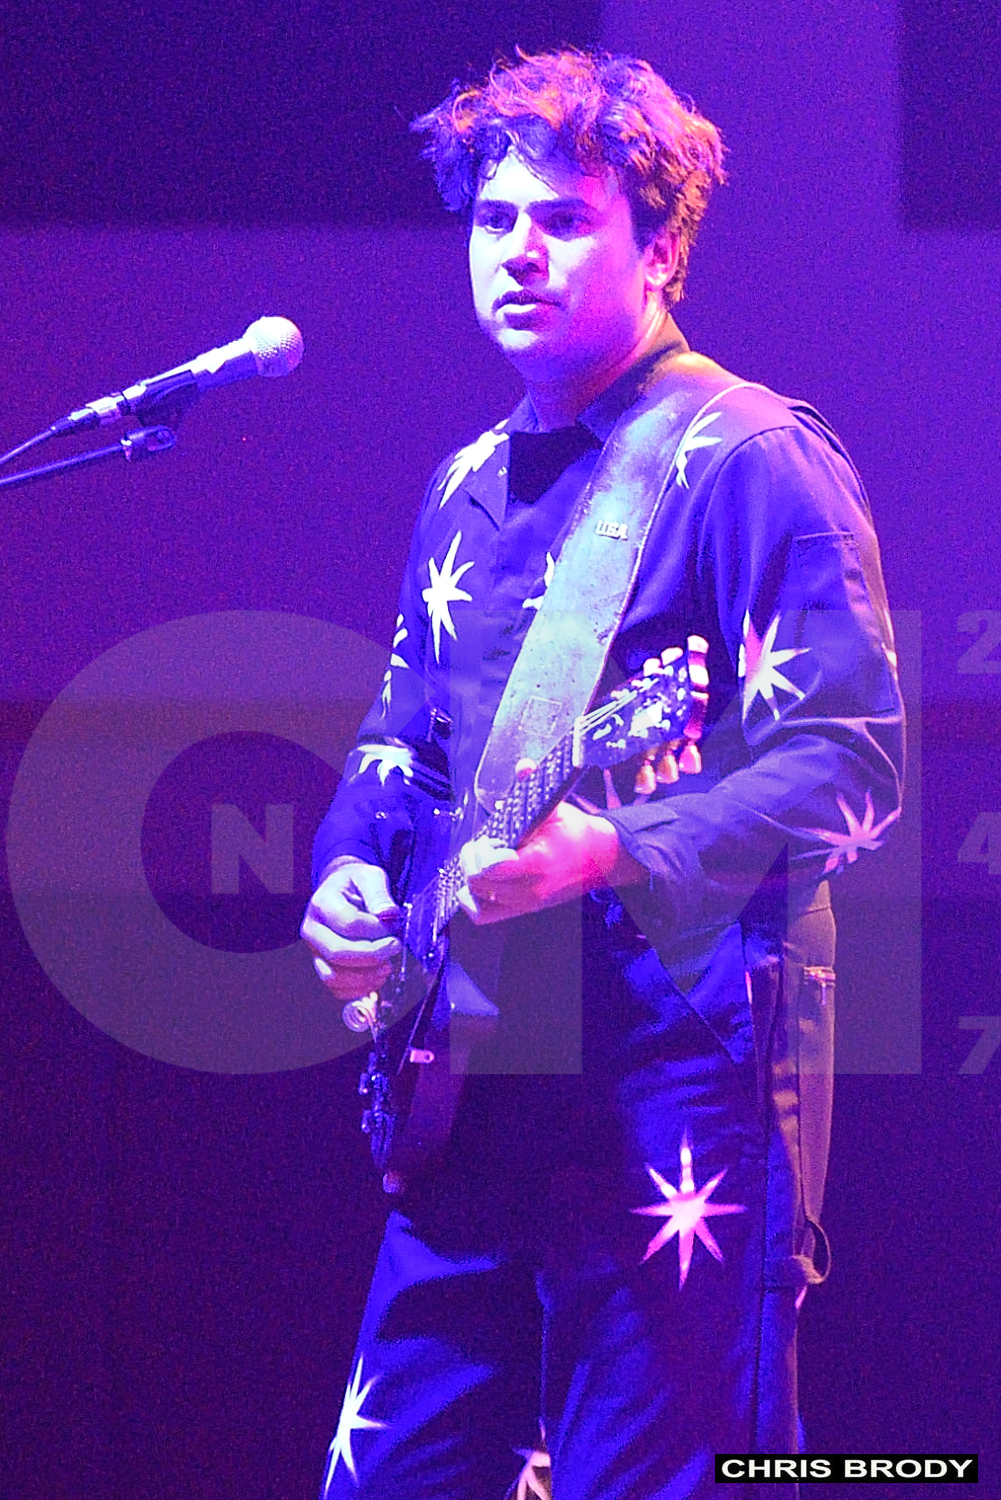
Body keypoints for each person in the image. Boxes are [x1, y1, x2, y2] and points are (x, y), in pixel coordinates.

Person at [301, 48, 904, 1500]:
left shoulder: (750, 459)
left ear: (662, 248)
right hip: (469, 1094)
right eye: (493, 218)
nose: (519, 249)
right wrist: (345, 873)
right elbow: (402, 737)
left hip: (674, 1102)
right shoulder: (464, 485)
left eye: (565, 219)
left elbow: (851, 757)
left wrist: (618, 848)